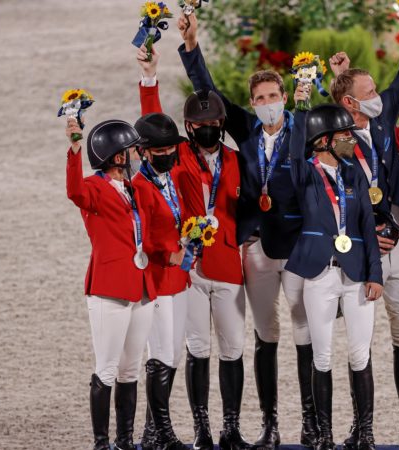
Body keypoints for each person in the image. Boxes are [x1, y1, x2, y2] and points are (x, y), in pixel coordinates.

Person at [176, 13, 314, 449]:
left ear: (285, 96)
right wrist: (192, 45)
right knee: (266, 334)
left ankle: (311, 421)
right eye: (261, 97)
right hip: (256, 248)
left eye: (275, 94)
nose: (269, 101)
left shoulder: (304, 128)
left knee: (305, 331)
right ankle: (270, 424)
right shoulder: (247, 129)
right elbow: (209, 94)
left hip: (296, 246)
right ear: (252, 102)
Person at [325, 11, 399, 449]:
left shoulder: (384, 117)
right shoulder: (333, 136)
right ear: (349, 103)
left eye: (374, 91)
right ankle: (362, 428)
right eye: (367, 93)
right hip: (362, 251)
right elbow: (340, 194)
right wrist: (373, 233)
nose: (376, 98)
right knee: (361, 344)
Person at [137, 45, 248, 450]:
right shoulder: (179, 154)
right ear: (187, 126)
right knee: (198, 349)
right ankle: (202, 429)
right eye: (198, 124)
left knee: (233, 349)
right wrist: (150, 77)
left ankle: (230, 428)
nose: (207, 128)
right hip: (192, 270)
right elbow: (152, 122)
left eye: (214, 122)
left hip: (230, 266)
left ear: (221, 124)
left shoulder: (238, 160)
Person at [288, 101, 384, 450]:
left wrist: (376, 274)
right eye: (344, 134)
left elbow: (367, 227)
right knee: (323, 356)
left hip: (357, 273)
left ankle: (365, 432)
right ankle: (325, 435)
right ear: (322, 140)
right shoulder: (305, 172)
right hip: (319, 275)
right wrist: (299, 107)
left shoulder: (353, 173)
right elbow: (295, 146)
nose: (350, 139)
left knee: (360, 355)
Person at [64, 117, 157, 450]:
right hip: (109, 288)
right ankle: (102, 444)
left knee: (131, 370)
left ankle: (125, 442)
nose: (135, 156)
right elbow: (73, 191)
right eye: (130, 151)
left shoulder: (135, 188)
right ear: (116, 156)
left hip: (141, 287)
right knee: (107, 368)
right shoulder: (93, 188)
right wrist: (74, 147)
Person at [130, 98, 192, 449]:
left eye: (172, 148)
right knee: (160, 355)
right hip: (155, 278)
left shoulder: (170, 179)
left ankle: (152, 432)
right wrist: (168, 251)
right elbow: (141, 233)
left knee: (174, 355)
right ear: (143, 152)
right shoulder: (138, 186)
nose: (169, 154)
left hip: (178, 278)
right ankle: (163, 434)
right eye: (161, 150)